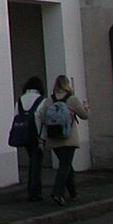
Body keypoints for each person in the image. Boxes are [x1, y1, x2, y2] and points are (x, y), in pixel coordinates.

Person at [40, 74, 89, 206]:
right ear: (67, 84)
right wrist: (86, 107)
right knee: (65, 165)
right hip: (68, 138)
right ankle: (58, 193)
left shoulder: (49, 100)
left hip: (53, 138)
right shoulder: (72, 99)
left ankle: (73, 193)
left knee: (66, 164)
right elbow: (84, 115)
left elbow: (42, 117)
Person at [16, 76, 46, 201]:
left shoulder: (20, 100)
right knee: (36, 163)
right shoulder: (41, 100)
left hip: (24, 134)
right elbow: (42, 119)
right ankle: (34, 191)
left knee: (32, 160)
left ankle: (32, 189)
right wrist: (42, 138)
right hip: (37, 135)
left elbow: (16, 115)